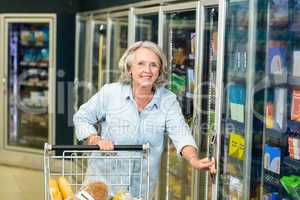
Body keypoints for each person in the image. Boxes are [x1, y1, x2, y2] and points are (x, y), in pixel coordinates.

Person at [73, 41, 216, 199]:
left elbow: (181, 134)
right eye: (141, 64)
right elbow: (82, 117)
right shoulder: (111, 93)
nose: (147, 70)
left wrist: (194, 160)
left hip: (138, 193)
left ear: (159, 70)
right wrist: (95, 138)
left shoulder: (167, 100)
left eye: (153, 65)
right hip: (100, 189)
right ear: (129, 68)